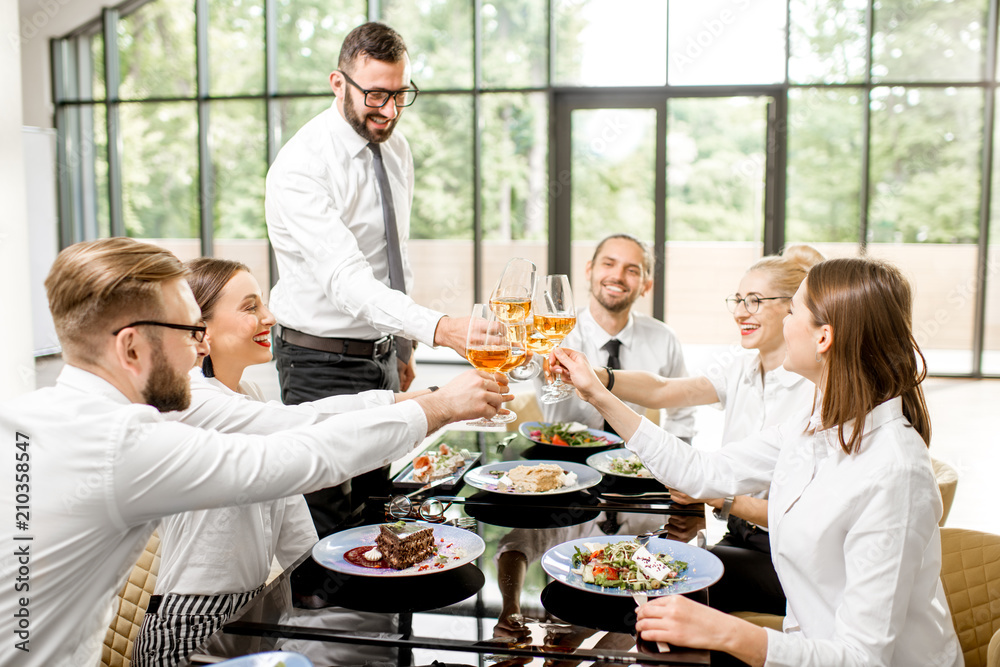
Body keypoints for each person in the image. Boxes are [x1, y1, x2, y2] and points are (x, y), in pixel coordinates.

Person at [0, 238, 506, 667]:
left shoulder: (46, 419)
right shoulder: (121, 441)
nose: (198, 350)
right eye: (188, 332)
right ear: (131, 348)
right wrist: (438, 408)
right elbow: (298, 454)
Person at [552, 257, 962, 667]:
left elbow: (861, 659)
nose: (784, 323)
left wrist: (726, 632)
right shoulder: (815, 421)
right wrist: (597, 394)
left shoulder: (894, 472)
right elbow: (702, 472)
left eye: (794, 311)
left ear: (823, 338)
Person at [133, 258, 490, 666]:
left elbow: (297, 535)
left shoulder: (244, 394)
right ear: (201, 329)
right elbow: (308, 428)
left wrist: (363, 568)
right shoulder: (192, 402)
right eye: (250, 307)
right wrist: (437, 406)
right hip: (192, 629)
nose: (270, 316)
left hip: (258, 616)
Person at [265, 22, 468, 529]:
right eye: (377, 94)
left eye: (401, 94)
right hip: (316, 364)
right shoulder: (301, 168)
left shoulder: (395, 149)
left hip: (379, 355)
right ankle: (314, 611)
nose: (391, 110)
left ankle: (378, 611)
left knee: (382, 514)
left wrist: (402, 345)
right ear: (339, 83)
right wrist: (441, 328)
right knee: (329, 527)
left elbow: (393, 254)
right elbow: (347, 280)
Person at [583, 244, 824, 615]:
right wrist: (600, 376)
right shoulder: (741, 369)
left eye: (755, 301)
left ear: (793, 307)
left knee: (669, 582)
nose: (741, 312)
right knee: (644, 567)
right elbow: (664, 389)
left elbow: (802, 514)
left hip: (791, 554)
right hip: (740, 535)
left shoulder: (817, 391)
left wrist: (720, 498)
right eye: (739, 300)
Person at [534, 234, 695, 442]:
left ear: (646, 285)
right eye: (608, 264)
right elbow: (519, 367)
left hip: (629, 462)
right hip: (561, 460)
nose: (617, 276)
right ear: (589, 270)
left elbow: (682, 412)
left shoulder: (664, 339)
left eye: (632, 270)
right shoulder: (551, 331)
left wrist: (673, 466)